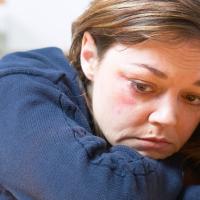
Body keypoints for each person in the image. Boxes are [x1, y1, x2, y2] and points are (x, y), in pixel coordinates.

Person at [0, 0, 199, 199]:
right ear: (90, 57)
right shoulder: (18, 85)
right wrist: (180, 171)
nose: (168, 118)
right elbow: (98, 191)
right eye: (141, 86)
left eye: (192, 97)